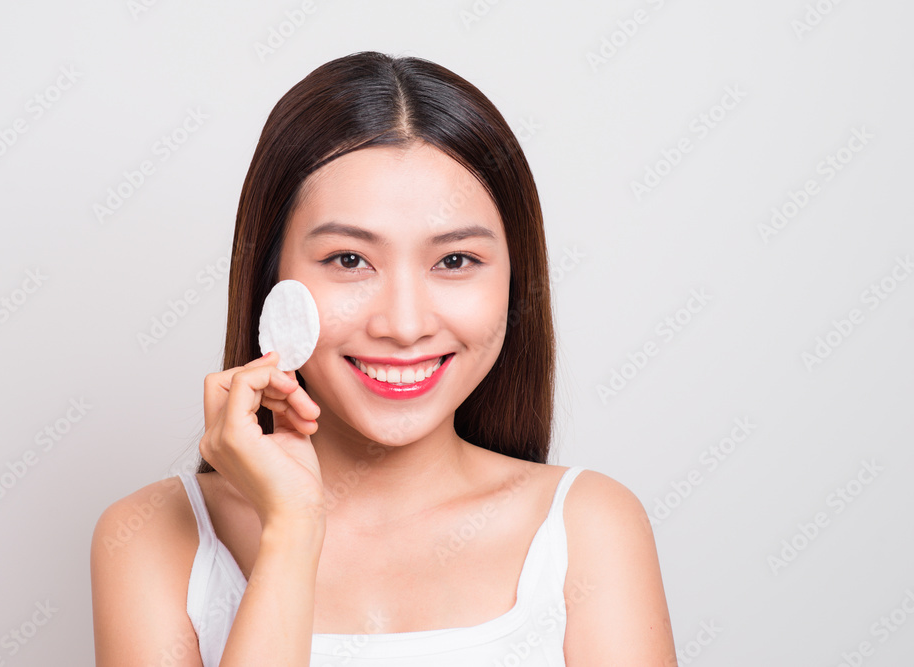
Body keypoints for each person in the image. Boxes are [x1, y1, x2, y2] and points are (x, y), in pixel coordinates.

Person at [91, 50, 678, 666]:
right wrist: (293, 531)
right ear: (271, 280)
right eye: (349, 260)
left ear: (514, 280)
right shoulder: (153, 535)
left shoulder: (588, 529)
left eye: (455, 261)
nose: (403, 325)